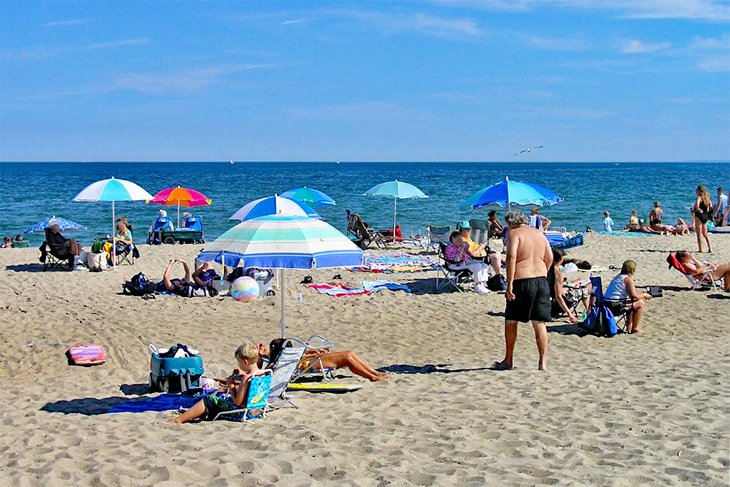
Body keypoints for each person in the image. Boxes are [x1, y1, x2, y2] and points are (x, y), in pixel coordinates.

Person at [495, 210, 553, 371]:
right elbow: (549, 258)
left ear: (510, 223)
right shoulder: (538, 233)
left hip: (522, 280)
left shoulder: (514, 233)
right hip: (541, 280)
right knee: (539, 323)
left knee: (511, 321)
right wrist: (543, 272)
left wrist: (509, 284)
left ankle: (508, 360)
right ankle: (543, 362)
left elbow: (511, 257)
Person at [169, 342, 260, 424]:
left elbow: (238, 402)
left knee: (208, 400)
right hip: (256, 412)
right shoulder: (263, 374)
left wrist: (231, 386)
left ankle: (178, 420)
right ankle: (194, 413)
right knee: (221, 392)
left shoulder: (246, 378)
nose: (239, 365)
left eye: (239, 362)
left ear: (245, 361)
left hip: (241, 414)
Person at [263, 339, 388, 382]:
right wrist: (261, 357)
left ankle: (374, 372)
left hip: (311, 359)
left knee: (350, 353)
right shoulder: (276, 363)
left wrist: (313, 352)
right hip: (311, 364)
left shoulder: (287, 356)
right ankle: (372, 377)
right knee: (347, 357)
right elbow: (267, 371)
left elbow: (301, 354)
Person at [604, 260, 652, 334]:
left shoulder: (617, 278)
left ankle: (629, 327)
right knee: (640, 303)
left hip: (606, 304)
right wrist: (644, 295)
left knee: (631, 302)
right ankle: (634, 328)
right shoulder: (628, 279)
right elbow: (634, 297)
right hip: (615, 307)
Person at [548, 249, 590, 324]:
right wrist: (570, 314)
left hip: (550, 297)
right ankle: (588, 311)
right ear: (561, 259)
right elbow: (559, 296)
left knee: (579, 281)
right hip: (561, 302)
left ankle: (588, 310)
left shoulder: (547, 269)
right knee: (585, 288)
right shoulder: (557, 273)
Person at [692, 185, 713, 253]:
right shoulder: (707, 198)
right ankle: (710, 248)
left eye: (697, 190)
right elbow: (710, 208)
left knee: (699, 234)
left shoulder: (699, 197)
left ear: (699, 191)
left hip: (699, 216)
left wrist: (698, 209)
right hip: (705, 216)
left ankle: (700, 249)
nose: (696, 191)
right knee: (705, 234)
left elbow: (697, 206)